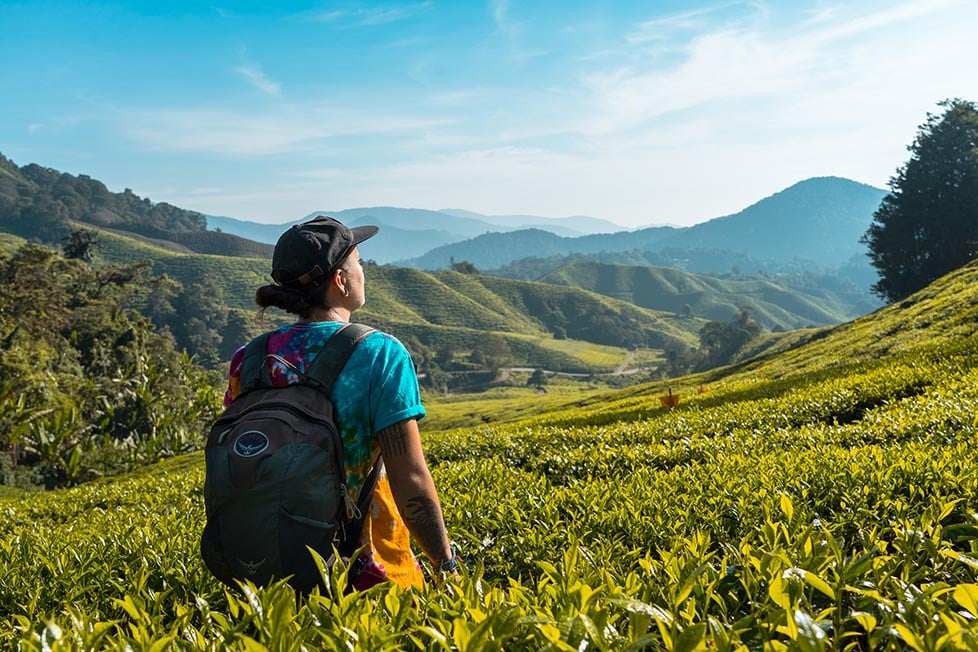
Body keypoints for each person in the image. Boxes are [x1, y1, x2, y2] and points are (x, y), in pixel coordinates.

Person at [223, 215, 458, 590]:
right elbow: (410, 480)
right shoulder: (379, 353)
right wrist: (446, 565)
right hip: (370, 573)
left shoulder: (249, 360)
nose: (364, 271)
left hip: (273, 575)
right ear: (340, 279)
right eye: (359, 262)